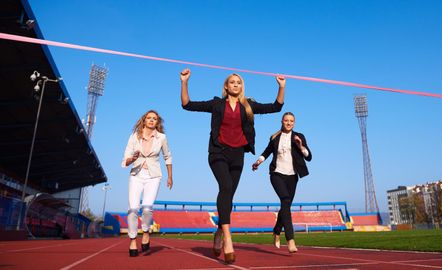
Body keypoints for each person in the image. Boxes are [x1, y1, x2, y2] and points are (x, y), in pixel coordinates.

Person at [180, 68, 285, 264]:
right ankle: (228, 239)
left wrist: (281, 87)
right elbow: (187, 104)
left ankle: (219, 232)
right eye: (232, 82)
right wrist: (184, 82)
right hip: (218, 153)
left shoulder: (248, 105)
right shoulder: (216, 104)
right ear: (226, 86)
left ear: (241, 87)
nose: (236, 84)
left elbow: (276, 107)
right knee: (226, 187)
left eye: (239, 82)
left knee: (228, 194)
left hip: (238, 155)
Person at [252, 112, 312, 253]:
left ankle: (276, 231)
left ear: (294, 123)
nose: (289, 123)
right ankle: (290, 240)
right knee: (285, 200)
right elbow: (267, 152)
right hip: (277, 174)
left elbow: (309, 157)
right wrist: (258, 162)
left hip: (292, 176)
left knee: (285, 205)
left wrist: (301, 146)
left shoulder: (299, 137)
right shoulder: (274, 137)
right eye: (286, 120)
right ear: (282, 121)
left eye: (291, 121)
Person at [121, 110, 173, 257]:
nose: (151, 120)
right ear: (144, 120)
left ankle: (145, 232)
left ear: (157, 122)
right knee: (132, 210)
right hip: (136, 175)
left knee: (147, 208)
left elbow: (167, 157)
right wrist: (133, 157)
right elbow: (125, 160)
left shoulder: (161, 138)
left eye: (154, 119)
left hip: (154, 176)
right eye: (149, 118)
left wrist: (170, 176)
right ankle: (132, 240)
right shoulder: (134, 137)